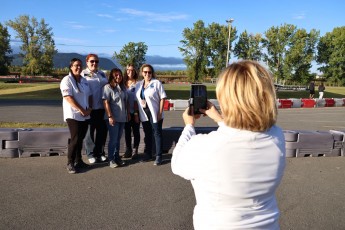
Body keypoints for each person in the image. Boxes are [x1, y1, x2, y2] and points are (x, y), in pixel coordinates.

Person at [171, 60, 286, 229]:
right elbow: (243, 135)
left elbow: (177, 163)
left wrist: (189, 125)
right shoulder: (277, 137)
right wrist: (219, 119)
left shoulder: (207, 146)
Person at [60, 58, 92, 174]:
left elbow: (89, 95)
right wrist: (81, 109)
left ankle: (79, 160)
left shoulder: (84, 80)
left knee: (81, 138)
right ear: (71, 67)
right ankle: (70, 162)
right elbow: (68, 97)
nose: (78, 67)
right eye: (75, 65)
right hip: (73, 115)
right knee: (75, 138)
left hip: (85, 115)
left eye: (80, 65)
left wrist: (90, 109)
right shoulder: (67, 80)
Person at [135, 64, 167, 165]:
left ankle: (159, 156)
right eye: (145, 72)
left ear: (152, 73)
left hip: (155, 112)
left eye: (149, 72)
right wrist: (136, 113)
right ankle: (148, 154)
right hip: (144, 113)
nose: (147, 74)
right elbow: (137, 100)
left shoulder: (156, 83)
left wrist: (160, 113)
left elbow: (163, 98)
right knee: (147, 134)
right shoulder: (138, 84)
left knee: (157, 134)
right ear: (142, 73)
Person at [81, 54, 108, 164]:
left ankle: (100, 153)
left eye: (96, 61)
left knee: (102, 131)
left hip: (102, 107)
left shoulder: (102, 73)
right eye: (92, 61)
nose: (94, 63)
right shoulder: (83, 74)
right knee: (90, 132)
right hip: (90, 108)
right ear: (87, 62)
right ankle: (90, 153)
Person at [102, 68, 128, 168]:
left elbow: (125, 101)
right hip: (112, 118)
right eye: (116, 75)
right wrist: (110, 116)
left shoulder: (122, 87)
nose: (118, 77)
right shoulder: (107, 87)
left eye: (120, 75)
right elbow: (106, 102)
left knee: (118, 139)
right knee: (113, 139)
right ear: (112, 76)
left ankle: (117, 157)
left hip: (122, 118)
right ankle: (111, 159)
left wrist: (128, 114)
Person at [122, 64, 140, 159]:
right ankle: (128, 150)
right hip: (125, 112)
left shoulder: (138, 83)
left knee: (136, 131)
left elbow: (138, 99)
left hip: (135, 112)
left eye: (132, 70)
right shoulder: (122, 83)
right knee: (127, 132)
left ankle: (135, 150)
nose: (130, 72)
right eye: (128, 70)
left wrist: (136, 113)